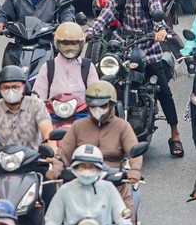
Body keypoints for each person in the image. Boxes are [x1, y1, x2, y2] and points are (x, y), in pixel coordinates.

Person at [85, 0, 182, 156]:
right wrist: (89, 32)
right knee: (106, 80)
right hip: (124, 45)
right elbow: (104, 17)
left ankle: (175, 135)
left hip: (148, 47)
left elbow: (158, 18)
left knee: (163, 90)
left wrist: (160, 30)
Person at [48, 80, 142, 211]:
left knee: (126, 219)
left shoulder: (122, 126)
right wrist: (56, 168)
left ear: (111, 105)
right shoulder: (78, 126)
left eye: (102, 106)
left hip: (114, 184)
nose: (97, 110)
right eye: (93, 106)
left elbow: (134, 151)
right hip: (81, 182)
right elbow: (62, 154)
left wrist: (135, 170)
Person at [0, 66, 53, 166]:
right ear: (0, 89)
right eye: (6, 88)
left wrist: (51, 152)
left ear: (23, 87)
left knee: (50, 179)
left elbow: (48, 133)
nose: (10, 91)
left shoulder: (36, 105)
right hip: (4, 163)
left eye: (15, 87)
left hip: (33, 162)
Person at [33, 21, 97, 110]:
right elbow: (37, 100)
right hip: (53, 117)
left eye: (74, 43)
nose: (70, 48)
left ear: (81, 44)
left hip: (82, 117)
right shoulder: (48, 67)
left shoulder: (88, 67)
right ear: (57, 43)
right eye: (65, 43)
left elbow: (95, 98)